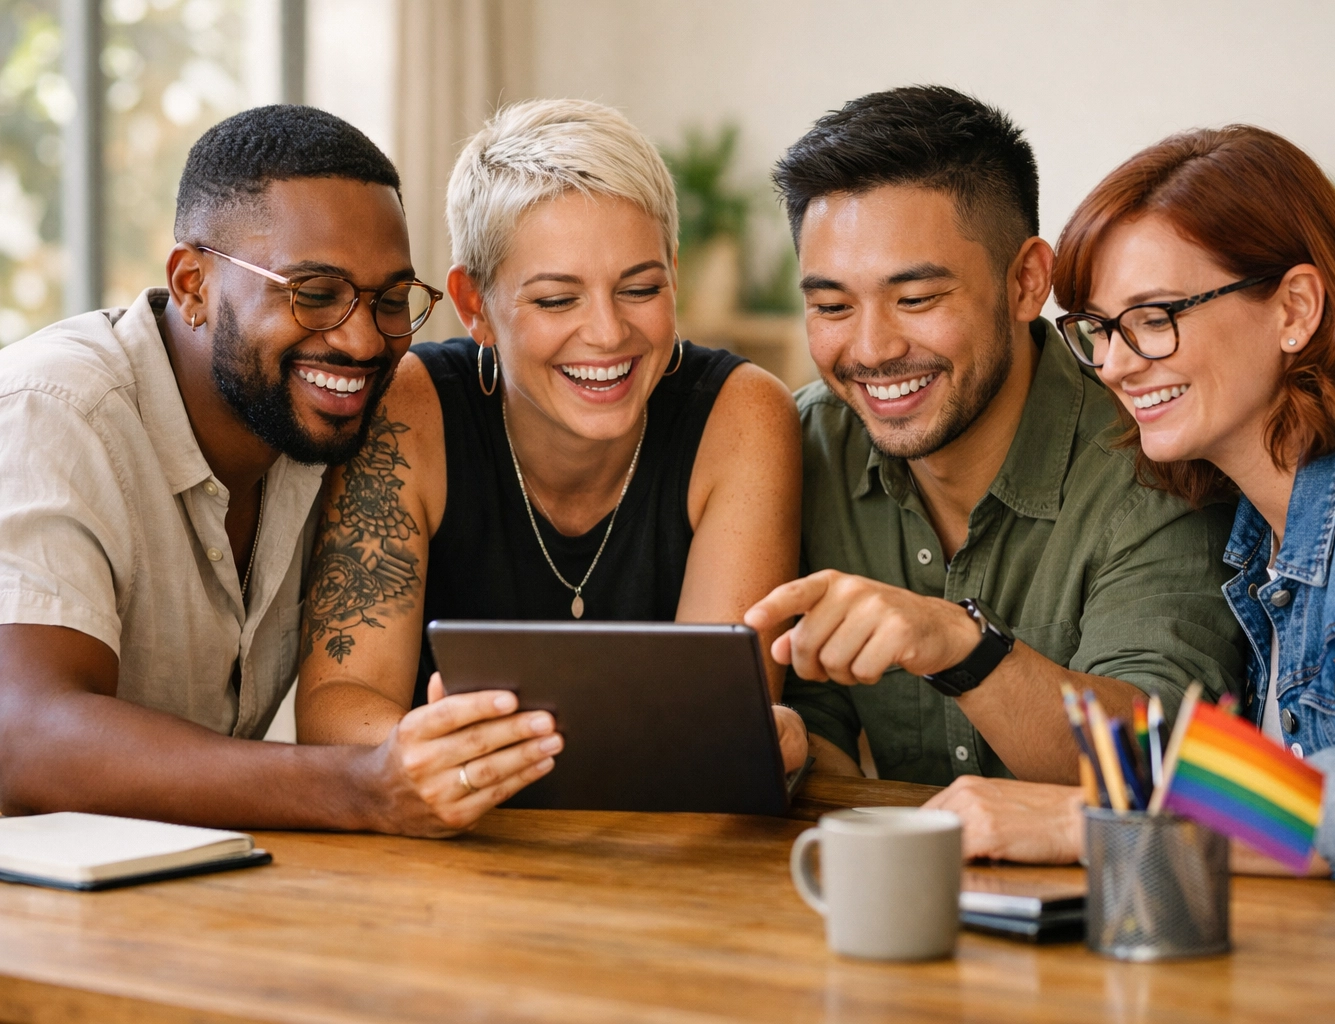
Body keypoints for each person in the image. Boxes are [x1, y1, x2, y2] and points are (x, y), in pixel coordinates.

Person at [930, 125, 1335, 881]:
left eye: (1154, 319)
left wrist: (1096, 824)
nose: (1115, 365)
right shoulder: (1252, 526)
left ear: (1294, 309)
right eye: (1100, 329)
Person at [0, 105, 561, 836]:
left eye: (391, 301)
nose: (362, 341)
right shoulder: (51, 412)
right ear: (193, 284)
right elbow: (27, 736)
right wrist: (363, 786)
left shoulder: (323, 427)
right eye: (314, 295)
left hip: (175, 895)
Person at [743, 86, 1245, 788]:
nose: (871, 348)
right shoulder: (801, 448)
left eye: (915, 299)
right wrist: (795, 750)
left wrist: (960, 647)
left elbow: (1162, 759)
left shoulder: (1154, 459)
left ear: (1026, 282)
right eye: (831, 305)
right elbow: (816, 727)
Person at [296, 99, 806, 778]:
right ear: (475, 305)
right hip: (450, 844)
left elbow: (719, 726)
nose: (607, 333)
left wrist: (477, 751)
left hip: (663, 860)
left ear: (673, 275)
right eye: (556, 299)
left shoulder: (742, 415)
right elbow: (336, 710)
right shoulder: (407, 409)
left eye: (640, 288)